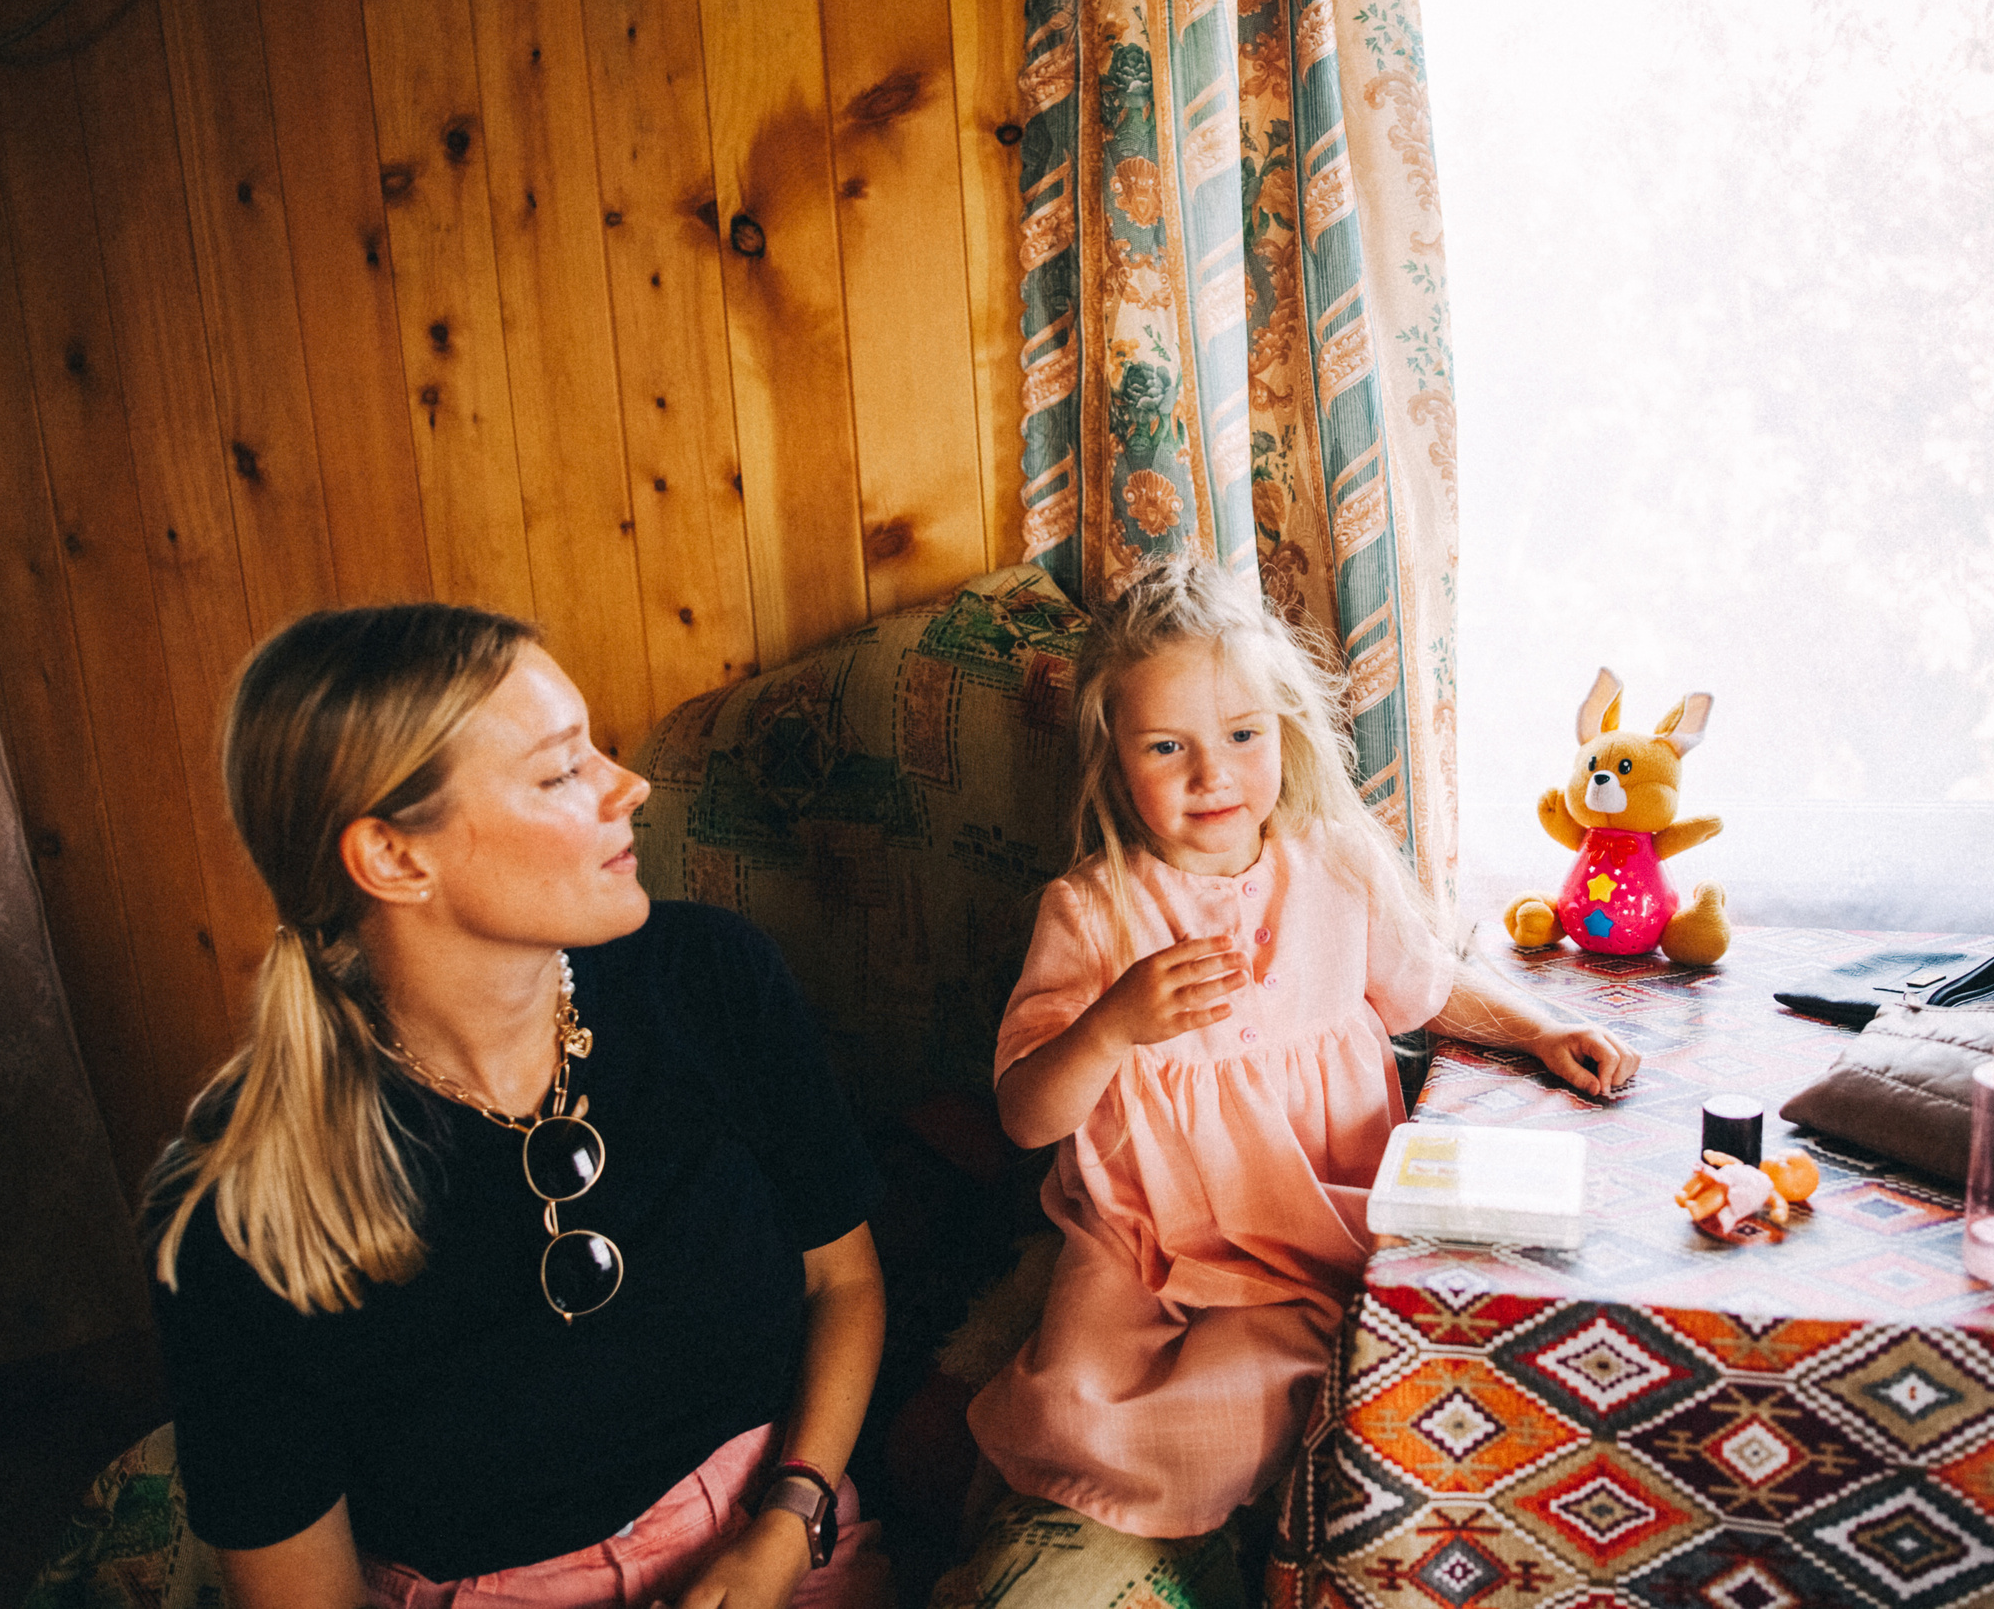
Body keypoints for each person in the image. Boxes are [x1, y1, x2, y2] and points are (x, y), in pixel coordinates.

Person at [145, 604, 891, 1609]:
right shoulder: (235, 1209)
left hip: (781, 1538)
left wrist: (783, 1525)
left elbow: (843, 1283)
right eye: (560, 771)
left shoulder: (711, 977)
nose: (630, 786)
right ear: (395, 859)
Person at [950, 559, 1636, 1594]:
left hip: (1317, 1220)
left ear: (1286, 734)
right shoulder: (1095, 910)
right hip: (1151, 1247)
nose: (1210, 776)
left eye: (1241, 737)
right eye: (1166, 747)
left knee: (1302, 1385)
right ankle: (1066, 1494)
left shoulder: (1333, 865)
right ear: (1113, 762)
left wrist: (1536, 1030)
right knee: (1084, 1408)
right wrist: (1111, 1027)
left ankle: (1256, 1501)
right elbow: (1024, 1118)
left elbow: (1425, 988)